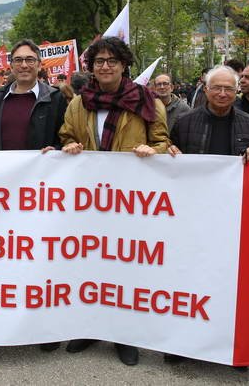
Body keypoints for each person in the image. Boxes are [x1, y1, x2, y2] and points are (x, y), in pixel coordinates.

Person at [59, 37, 169, 366]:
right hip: (90, 201)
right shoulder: (78, 103)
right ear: (91, 67)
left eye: (112, 61)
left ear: (124, 65)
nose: (105, 66)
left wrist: (153, 150)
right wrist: (70, 146)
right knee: (90, 265)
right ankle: (90, 327)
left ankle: (125, 335)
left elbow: (163, 141)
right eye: (99, 61)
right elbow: (67, 135)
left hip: (130, 202)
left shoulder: (147, 101)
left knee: (126, 270)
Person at [0, 39, 67, 156]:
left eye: (30, 60)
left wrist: (56, 150)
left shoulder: (55, 98)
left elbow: (64, 139)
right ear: (11, 66)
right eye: (18, 60)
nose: (24, 65)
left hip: (41, 166)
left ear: (39, 65)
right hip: (4, 167)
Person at [170, 65, 249, 160]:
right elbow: (173, 156)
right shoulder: (183, 122)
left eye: (228, 89)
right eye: (216, 88)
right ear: (206, 89)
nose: (222, 94)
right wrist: (171, 151)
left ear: (236, 91)